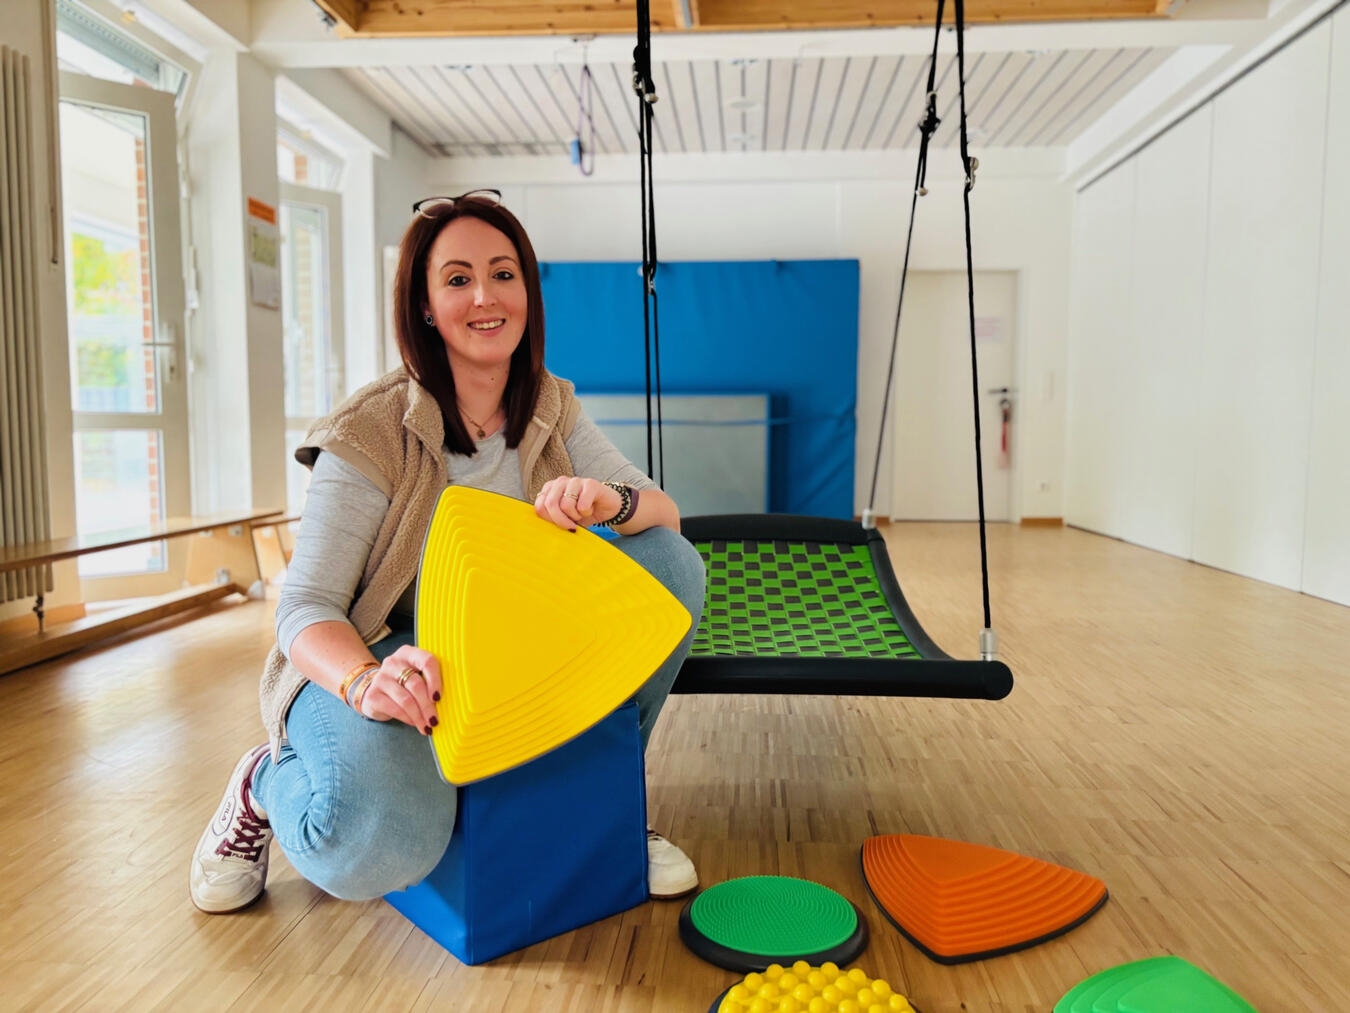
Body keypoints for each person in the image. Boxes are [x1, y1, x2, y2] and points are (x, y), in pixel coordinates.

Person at [189, 190, 706, 914]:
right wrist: (367, 680)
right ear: (426, 305)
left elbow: (665, 518)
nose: (485, 296)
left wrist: (606, 502)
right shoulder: (370, 431)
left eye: (503, 274)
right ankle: (262, 786)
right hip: (380, 657)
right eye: (458, 278)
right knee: (380, 840)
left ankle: (604, 803)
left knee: (670, 567)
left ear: (526, 289)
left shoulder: (551, 405)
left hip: (495, 645)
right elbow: (305, 607)